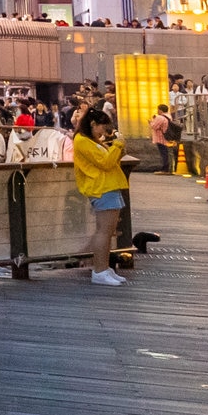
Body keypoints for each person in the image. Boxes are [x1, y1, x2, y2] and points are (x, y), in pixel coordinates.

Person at [71, 111, 130, 288]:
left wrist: (117, 149)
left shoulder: (91, 141)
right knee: (104, 231)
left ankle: (104, 268)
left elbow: (108, 162)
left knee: (107, 231)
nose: (104, 131)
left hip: (108, 186)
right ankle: (100, 270)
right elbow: (104, 163)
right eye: (102, 127)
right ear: (93, 123)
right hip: (101, 188)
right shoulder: (82, 141)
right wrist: (117, 146)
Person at [148, 104, 181, 177]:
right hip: (168, 137)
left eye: (158, 109)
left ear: (160, 110)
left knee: (164, 153)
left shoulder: (160, 117)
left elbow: (154, 126)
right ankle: (170, 169)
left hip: (161, 138)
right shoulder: (169, 116)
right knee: (168, 153)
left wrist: (151, 122)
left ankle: (165, 169)